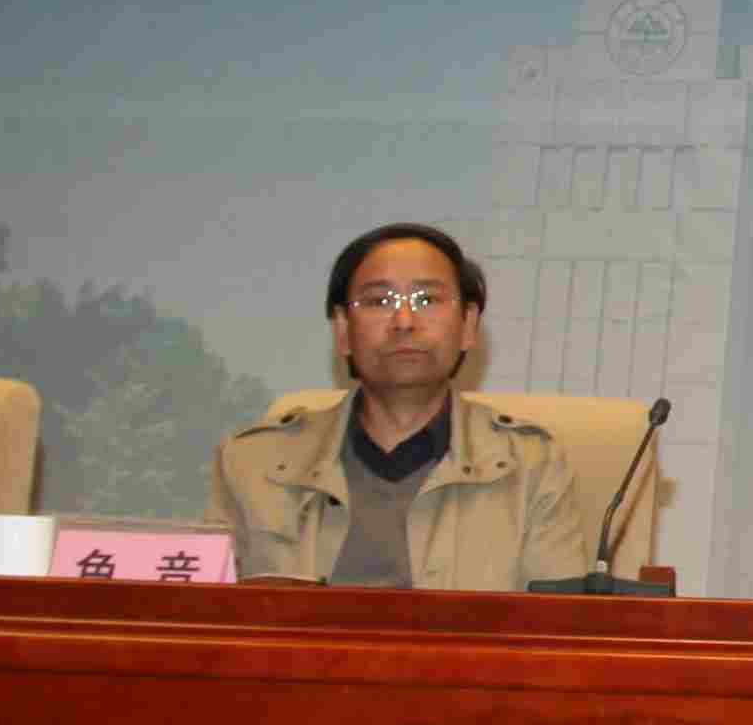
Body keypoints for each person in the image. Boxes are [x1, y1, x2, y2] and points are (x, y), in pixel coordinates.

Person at [213, 223, 598, 590]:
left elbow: (558, 625)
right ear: (343, 330)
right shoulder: (251, 464)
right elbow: (207, 617)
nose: (404, 321)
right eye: (379, 301)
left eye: (426, 300)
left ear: (468, 325)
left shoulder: (530, 465)